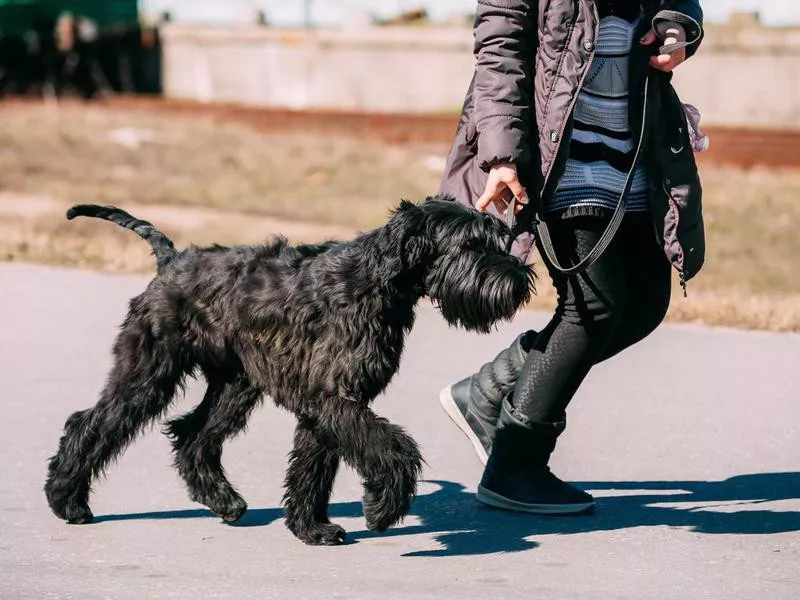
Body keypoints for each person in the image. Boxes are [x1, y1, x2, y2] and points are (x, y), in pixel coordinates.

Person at [438, 0, 705, 514]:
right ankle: (515, 466)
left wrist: (679, 25)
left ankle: (491, 390)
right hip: (559, 149)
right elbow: (500, 48)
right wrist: (500, 156)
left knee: (646, 304)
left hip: (633, 146)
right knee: (594, 307)